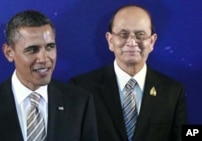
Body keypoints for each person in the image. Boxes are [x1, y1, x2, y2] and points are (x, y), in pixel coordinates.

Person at [0, 10, 98, 141]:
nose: (44, 58)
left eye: (50, 47)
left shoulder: (80, 102)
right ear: (9, 53)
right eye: (32, 50)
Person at [70, 4, 187, 141]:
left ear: (152, 41)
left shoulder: (173, 91)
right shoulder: (81, 88)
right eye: (123, 34)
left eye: (140, 35)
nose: (132, 42)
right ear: (110, 40)